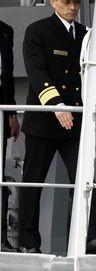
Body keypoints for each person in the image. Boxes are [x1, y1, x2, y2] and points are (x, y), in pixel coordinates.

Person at [19, 0, 96, 255]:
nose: (72, 6)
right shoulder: (37, 32)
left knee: (86, 179)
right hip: (45, 120)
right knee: (33, 182)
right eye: (66, 1)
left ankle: (93, 238)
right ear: (53, 1)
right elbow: (37, 73)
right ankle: (28, 242)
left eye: (76, 1)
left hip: (74, 121)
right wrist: (57, 106)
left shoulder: (87, 34)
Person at [0, 20, 20, 252]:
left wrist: (12, 113)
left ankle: (1, 239)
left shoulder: (5, 30)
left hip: (1, 113)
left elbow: (8, 76)